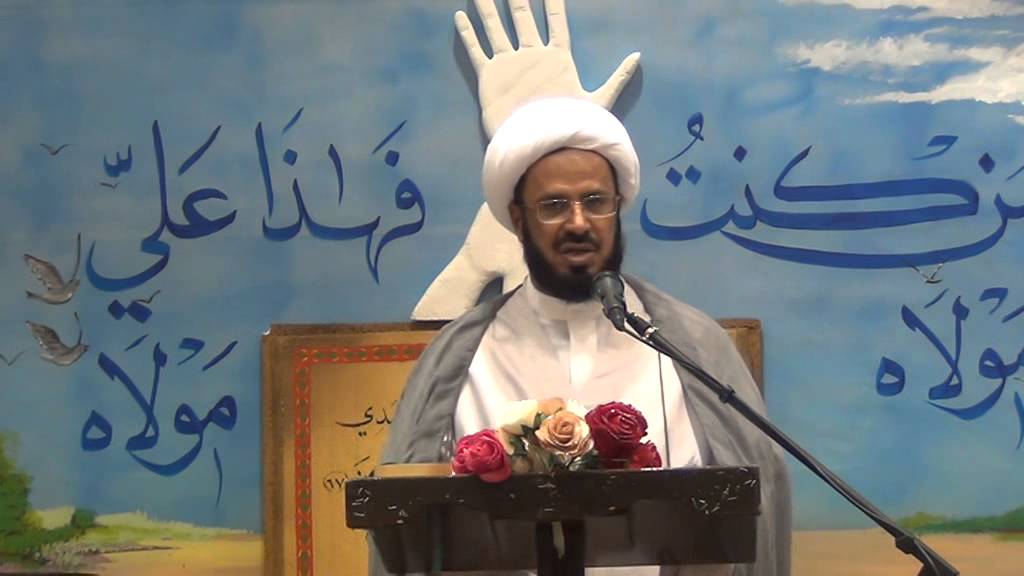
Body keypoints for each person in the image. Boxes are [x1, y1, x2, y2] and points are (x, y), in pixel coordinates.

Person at [373, 98, 791, 576]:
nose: (578, 222)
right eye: (554, 206)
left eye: (595, 202)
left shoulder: (692, 345)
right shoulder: (459, 357)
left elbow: (759, 499)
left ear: (617, 207)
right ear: (518, 219)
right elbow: (406, 526)